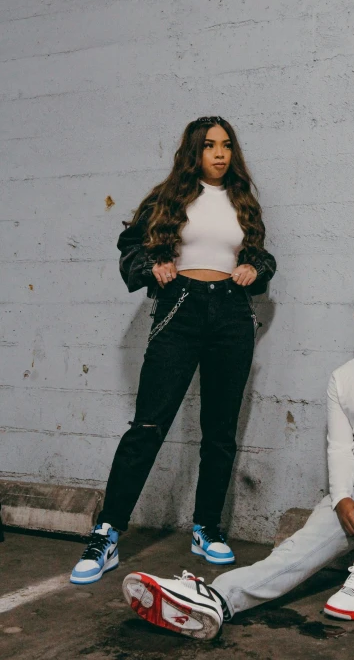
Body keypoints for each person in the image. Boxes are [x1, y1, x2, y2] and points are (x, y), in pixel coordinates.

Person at [120, 279, 354, 639]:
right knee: (295, 550)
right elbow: (339, 447)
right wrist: (341, 497)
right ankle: (217, 599)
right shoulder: (342, 378)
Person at [70, 116, 276, 585]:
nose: (220, 154)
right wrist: (153, 265)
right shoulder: (168, 199)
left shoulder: (244, 202)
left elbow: (262, 256)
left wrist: (252, 268)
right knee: (147, 426)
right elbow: (129, 245)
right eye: (209, 146)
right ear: (193, 152)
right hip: (180, 308)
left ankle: (206, 527)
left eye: (226, 146)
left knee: (220, 430)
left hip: (230, 315)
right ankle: (107, 534)